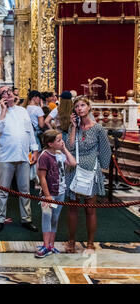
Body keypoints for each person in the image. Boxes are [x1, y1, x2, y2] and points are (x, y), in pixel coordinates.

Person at [65, 96, 111, 253]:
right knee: (72, 208)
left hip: (91, 172)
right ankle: (71, 240)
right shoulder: (73, 128)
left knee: (90, 209)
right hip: (74, 171)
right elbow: (70, 147)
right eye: (76, 106)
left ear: (89, 107)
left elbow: (105, 150)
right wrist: (73, 127)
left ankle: (90, 243)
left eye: (82, 105)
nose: (79, 108)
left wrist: (102, 169)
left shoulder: (98, 128)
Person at [0, 86, 39, 233]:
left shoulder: (22, 111)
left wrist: (35, 148)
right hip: (5, 157)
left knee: (25, 190)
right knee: (3, 191)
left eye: (9, 90)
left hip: (23, 155)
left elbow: (30, 131)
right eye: (4, 93)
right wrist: (3, 111)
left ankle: (27, 219)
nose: (8, 93)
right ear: (0, 97)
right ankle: (0, 219)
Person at [35, 130, 76, 258]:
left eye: (61, 139)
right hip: (49, 194)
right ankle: (46, 245)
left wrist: (64, 149)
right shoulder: (44, 156)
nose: (62, 142)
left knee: (55, 219)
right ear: (50, 143)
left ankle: (51, 245)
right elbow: (42, 177)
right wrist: (47, 196)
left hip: (60, 192)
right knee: (47, 218)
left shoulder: (59, 154)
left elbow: (73, 163)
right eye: (59, 140)